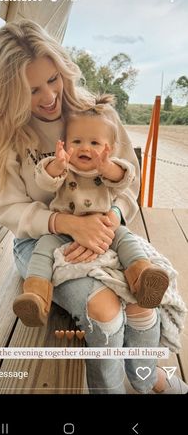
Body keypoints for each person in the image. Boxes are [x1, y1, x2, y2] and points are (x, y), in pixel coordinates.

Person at [0, 19, 187, 394]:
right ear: (6, 94)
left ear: (63, 70)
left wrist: (111, 218)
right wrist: (65, 223)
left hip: (106, 228)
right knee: (105, 310)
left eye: (53, 80)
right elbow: (7, 209)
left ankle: (146, 376)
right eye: (31, 89)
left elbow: (127, 181)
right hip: (41, 242)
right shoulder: (7, 135)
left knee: (141, 301)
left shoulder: (97, 116)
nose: (48, 97)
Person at [19, 99, 169, 327]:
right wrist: (56, 166)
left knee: (126, 240)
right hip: (64, 230)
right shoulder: (63, 166)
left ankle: (142, 277)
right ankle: (36, 296)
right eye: (76, 141)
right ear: (65, 143)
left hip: (104, 227)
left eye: (95, 143)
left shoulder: (109, 168)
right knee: (43, 249)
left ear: (108, 148)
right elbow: (43, 180)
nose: (85, 148)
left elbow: (124, 179)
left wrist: (107, 167)